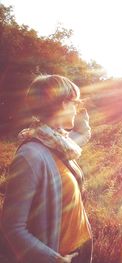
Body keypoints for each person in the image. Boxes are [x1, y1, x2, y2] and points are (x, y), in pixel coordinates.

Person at [1, 75, 93, 263]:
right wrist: (54, 260)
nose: (77, 108)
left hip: (80, 248)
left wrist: (83, 125)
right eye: (74, 103)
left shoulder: (59, 144)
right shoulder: (31, 156)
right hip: (59, 255)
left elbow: (81, 136)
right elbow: (12, 228)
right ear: (61, 104)